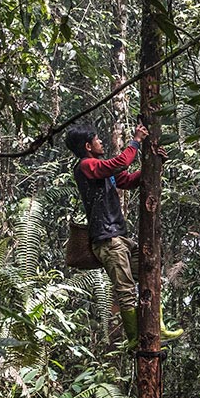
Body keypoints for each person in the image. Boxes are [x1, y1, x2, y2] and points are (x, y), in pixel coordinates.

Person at [67, 121, 181, 347]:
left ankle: (159, 327)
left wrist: (155, 163)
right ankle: (135, 337)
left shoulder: (100, 168)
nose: (101, 142)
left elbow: (127, 180)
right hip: (108, 240)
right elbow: (119, 164)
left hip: (120, 237)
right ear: (88, 146)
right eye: (97, 139)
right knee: (126, 290)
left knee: (151, 269)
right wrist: (135, 141)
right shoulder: (87, 166)